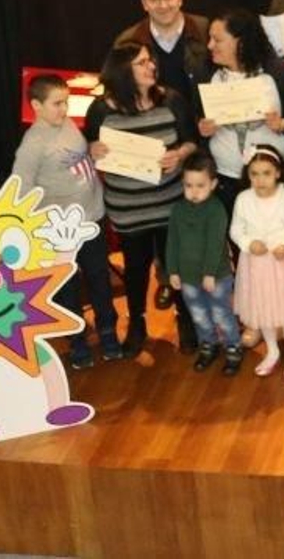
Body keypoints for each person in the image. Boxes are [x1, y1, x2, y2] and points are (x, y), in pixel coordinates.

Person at [84, 44, 201, 356]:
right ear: (123, 71)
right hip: (128, 210)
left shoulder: (171, 99)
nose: (152, 67)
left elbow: (192, 141)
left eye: (151, 61)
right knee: (135, 268)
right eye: (142, 63)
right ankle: (137, 323)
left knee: (176, 264)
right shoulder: (101, 110)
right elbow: (89, 148)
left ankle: (185, 320)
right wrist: (92, 150)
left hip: (171, 204)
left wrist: (180, 154)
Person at [13, 74, 122, 368]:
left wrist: (92, 150)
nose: (64, 109)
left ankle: (108, 331)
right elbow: (19, 189)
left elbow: (76, 156)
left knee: (100, 277)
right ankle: (77, 341)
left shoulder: (68, 124)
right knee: (69, 287)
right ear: (36, 105)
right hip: (61, 232)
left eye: (66, 102)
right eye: (57, 104)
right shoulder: (32, 144)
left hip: (92, 218)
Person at [194, 9, 284, 217]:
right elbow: (196, 118)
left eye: (217, 40)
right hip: (225, 180)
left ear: (240, 42)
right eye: (209, 39)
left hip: (274, 180)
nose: (210, 46)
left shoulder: (280, 73)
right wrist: (203, 128)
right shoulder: (205, 73)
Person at [230, 144, 284, 380]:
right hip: (256, 266)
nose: (260, 180)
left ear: (277, 172)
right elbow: (236, 229)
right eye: (254, 174)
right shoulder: (243, 199)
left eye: (266, 173)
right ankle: (273, 351)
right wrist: (247, 244)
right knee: (263, 309)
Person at [167, 154, 243, 376]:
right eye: (188, 185)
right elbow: (172, 241)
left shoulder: (216, 210)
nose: (194, 191)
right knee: (199, 314)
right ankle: (208, 344)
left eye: (200, 185)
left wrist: (209, 273)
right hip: (188, 277)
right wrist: (172, 270)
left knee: (221, 313)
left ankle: (233, 346)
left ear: (213, 184)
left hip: (215, 276)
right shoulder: (178, 210)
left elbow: (215, 244)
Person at [114, 0, 209, 98]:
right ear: (144, 4)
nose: (163, 5)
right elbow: (119, 89)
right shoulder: (128, 40)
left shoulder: (206, 31)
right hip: (150, 117)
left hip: (199, 116)